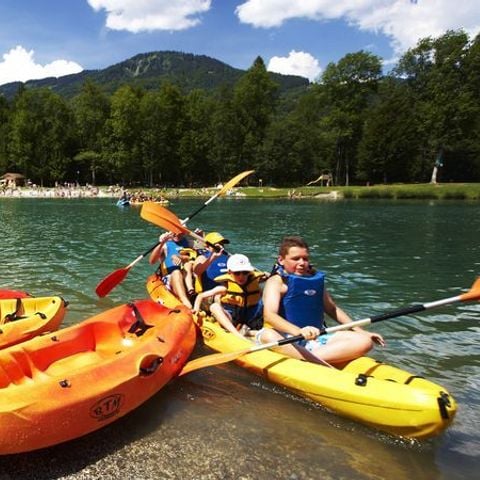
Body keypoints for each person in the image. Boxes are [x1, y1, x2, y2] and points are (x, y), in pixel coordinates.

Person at [259, 236, 385, 366]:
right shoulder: (276, 281)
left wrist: (361, 331)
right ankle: (313, 360)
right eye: (295, 259)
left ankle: (307, 359)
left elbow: (332, 309)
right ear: (281, 260)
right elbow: (269, 316)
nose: (302, 263)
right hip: (287, 338)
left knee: (364, 341)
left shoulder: (314, 280)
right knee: (267, 335)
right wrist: (298, 331)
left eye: (305, 258)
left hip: (315, 339)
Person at [193, 254, 267, 339]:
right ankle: (238, 335)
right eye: (237, 273)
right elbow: (200, 296)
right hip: (232, 318)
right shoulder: (224, 287)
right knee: (214, 306)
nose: (241, 276)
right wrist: (196, 310)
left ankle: (250, 332)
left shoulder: (254, 284)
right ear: (229, 272)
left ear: (249, 273)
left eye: (245, 272)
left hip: (251, 318)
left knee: (264, 299)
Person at [149, 231, 195, 308]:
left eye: (181, 233)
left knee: (188, 265)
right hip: (170, 277)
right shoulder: (165, 245)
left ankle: (193, 292)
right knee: (176, 272)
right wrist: (161, 243)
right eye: (175, 232)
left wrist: (201, 236)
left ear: (184, 233)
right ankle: (185, 301)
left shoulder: (188, 242)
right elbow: (152, 261)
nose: (178, 235)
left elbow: (205, 248)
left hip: (186, 276)